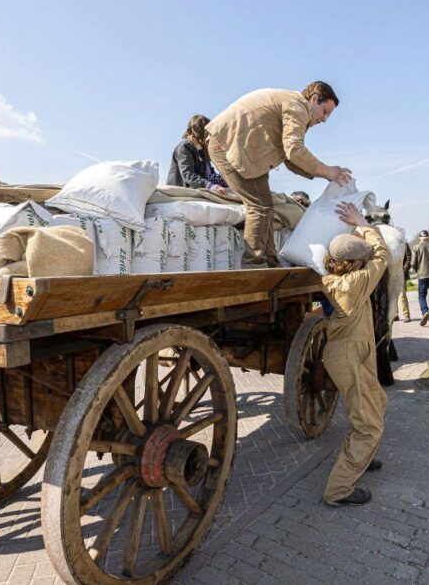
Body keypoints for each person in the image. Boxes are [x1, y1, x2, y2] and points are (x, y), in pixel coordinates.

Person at [207, 82, 352, 267]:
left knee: (265, 206)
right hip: (227, 146)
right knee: (259, 207)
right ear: (314, 99)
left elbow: (291, 160)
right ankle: (254, 266)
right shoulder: (297, 106)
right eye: (325, 112)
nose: (324, 119)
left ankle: (271, 262)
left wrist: (325, 174)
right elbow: (295, 151)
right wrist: (328, 171)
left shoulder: (295, 107)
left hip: (246, 152)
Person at [320, 201, 389, 507]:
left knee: (379, 401)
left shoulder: (330, 277)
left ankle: (363, 456)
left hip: (349, 352)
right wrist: (363, 223)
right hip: (349, 355)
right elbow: (383, 254)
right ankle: (339, 490)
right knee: (369, 427)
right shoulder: (358, 283)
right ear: (356, 263)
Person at [166, 114, 228, 194]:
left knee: (227, 181)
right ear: (190, 132)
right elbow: (187, 174)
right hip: (183, 188)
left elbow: (209, 171)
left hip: (201, 184)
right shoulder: (184, 148)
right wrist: (209, 186)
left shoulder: (201, 150)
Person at [398, 241, 412, 322]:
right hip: (391, 274)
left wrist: (403, 270)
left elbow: (408, 258)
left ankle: (406, 315)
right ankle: (395, 314)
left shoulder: (404, 244)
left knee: (402, 295)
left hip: (402, 274)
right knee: (392, 295)